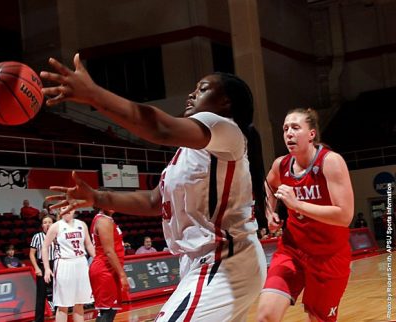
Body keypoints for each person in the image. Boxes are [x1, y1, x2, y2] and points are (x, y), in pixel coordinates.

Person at [41, 54, 267, 321]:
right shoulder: (188, 152)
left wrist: (94, 95)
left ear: (225, 102)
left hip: (225, 259)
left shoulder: (226, 129)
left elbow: (159, 128)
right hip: (201, 261)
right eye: (194, 89)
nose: (192, 95)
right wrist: (97, 197)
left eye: (203, 89)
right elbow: (153, 202)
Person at [256, 108, 354, 322]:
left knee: (317, 318)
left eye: (295, 127)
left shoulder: (330, 162)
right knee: (265, 316)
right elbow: (268, 186)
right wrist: (270, 212)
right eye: (285, 129)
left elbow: (345, 216)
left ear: (311, 134)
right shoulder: (280, 164)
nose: (288, 133)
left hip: (328, 256)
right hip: (292, 251)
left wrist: (297, 204)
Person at [42, 208, 95, 322]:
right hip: (64, 263)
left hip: (81, 262)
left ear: (74, 209)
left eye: (68, 207)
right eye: (63, 208)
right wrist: (47, 268)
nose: (66, 210)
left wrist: (97, 259)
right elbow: (45, 247)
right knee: (63, 305)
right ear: (60, 211)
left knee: (79, 303)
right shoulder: (56, 226)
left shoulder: (82, 224)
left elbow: (89, 245)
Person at [90, 207, 128, 321]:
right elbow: (109, 251)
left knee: (107, 311)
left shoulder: (105, 219)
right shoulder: (103, 221)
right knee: (107, 312)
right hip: (105, 269)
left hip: (108, 269)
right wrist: (122, 275)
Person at [29, 215, 56, 322]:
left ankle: (59, 316)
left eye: (50, 222)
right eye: (45, 222)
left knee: (57, 293)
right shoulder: (37, 236)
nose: (48, 224)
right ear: (42, 225)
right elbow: (31, 254)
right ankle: (39, 319)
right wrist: (36, 268)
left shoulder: (57, 235)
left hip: (55, 265)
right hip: (42, 265)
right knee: (41, 295)